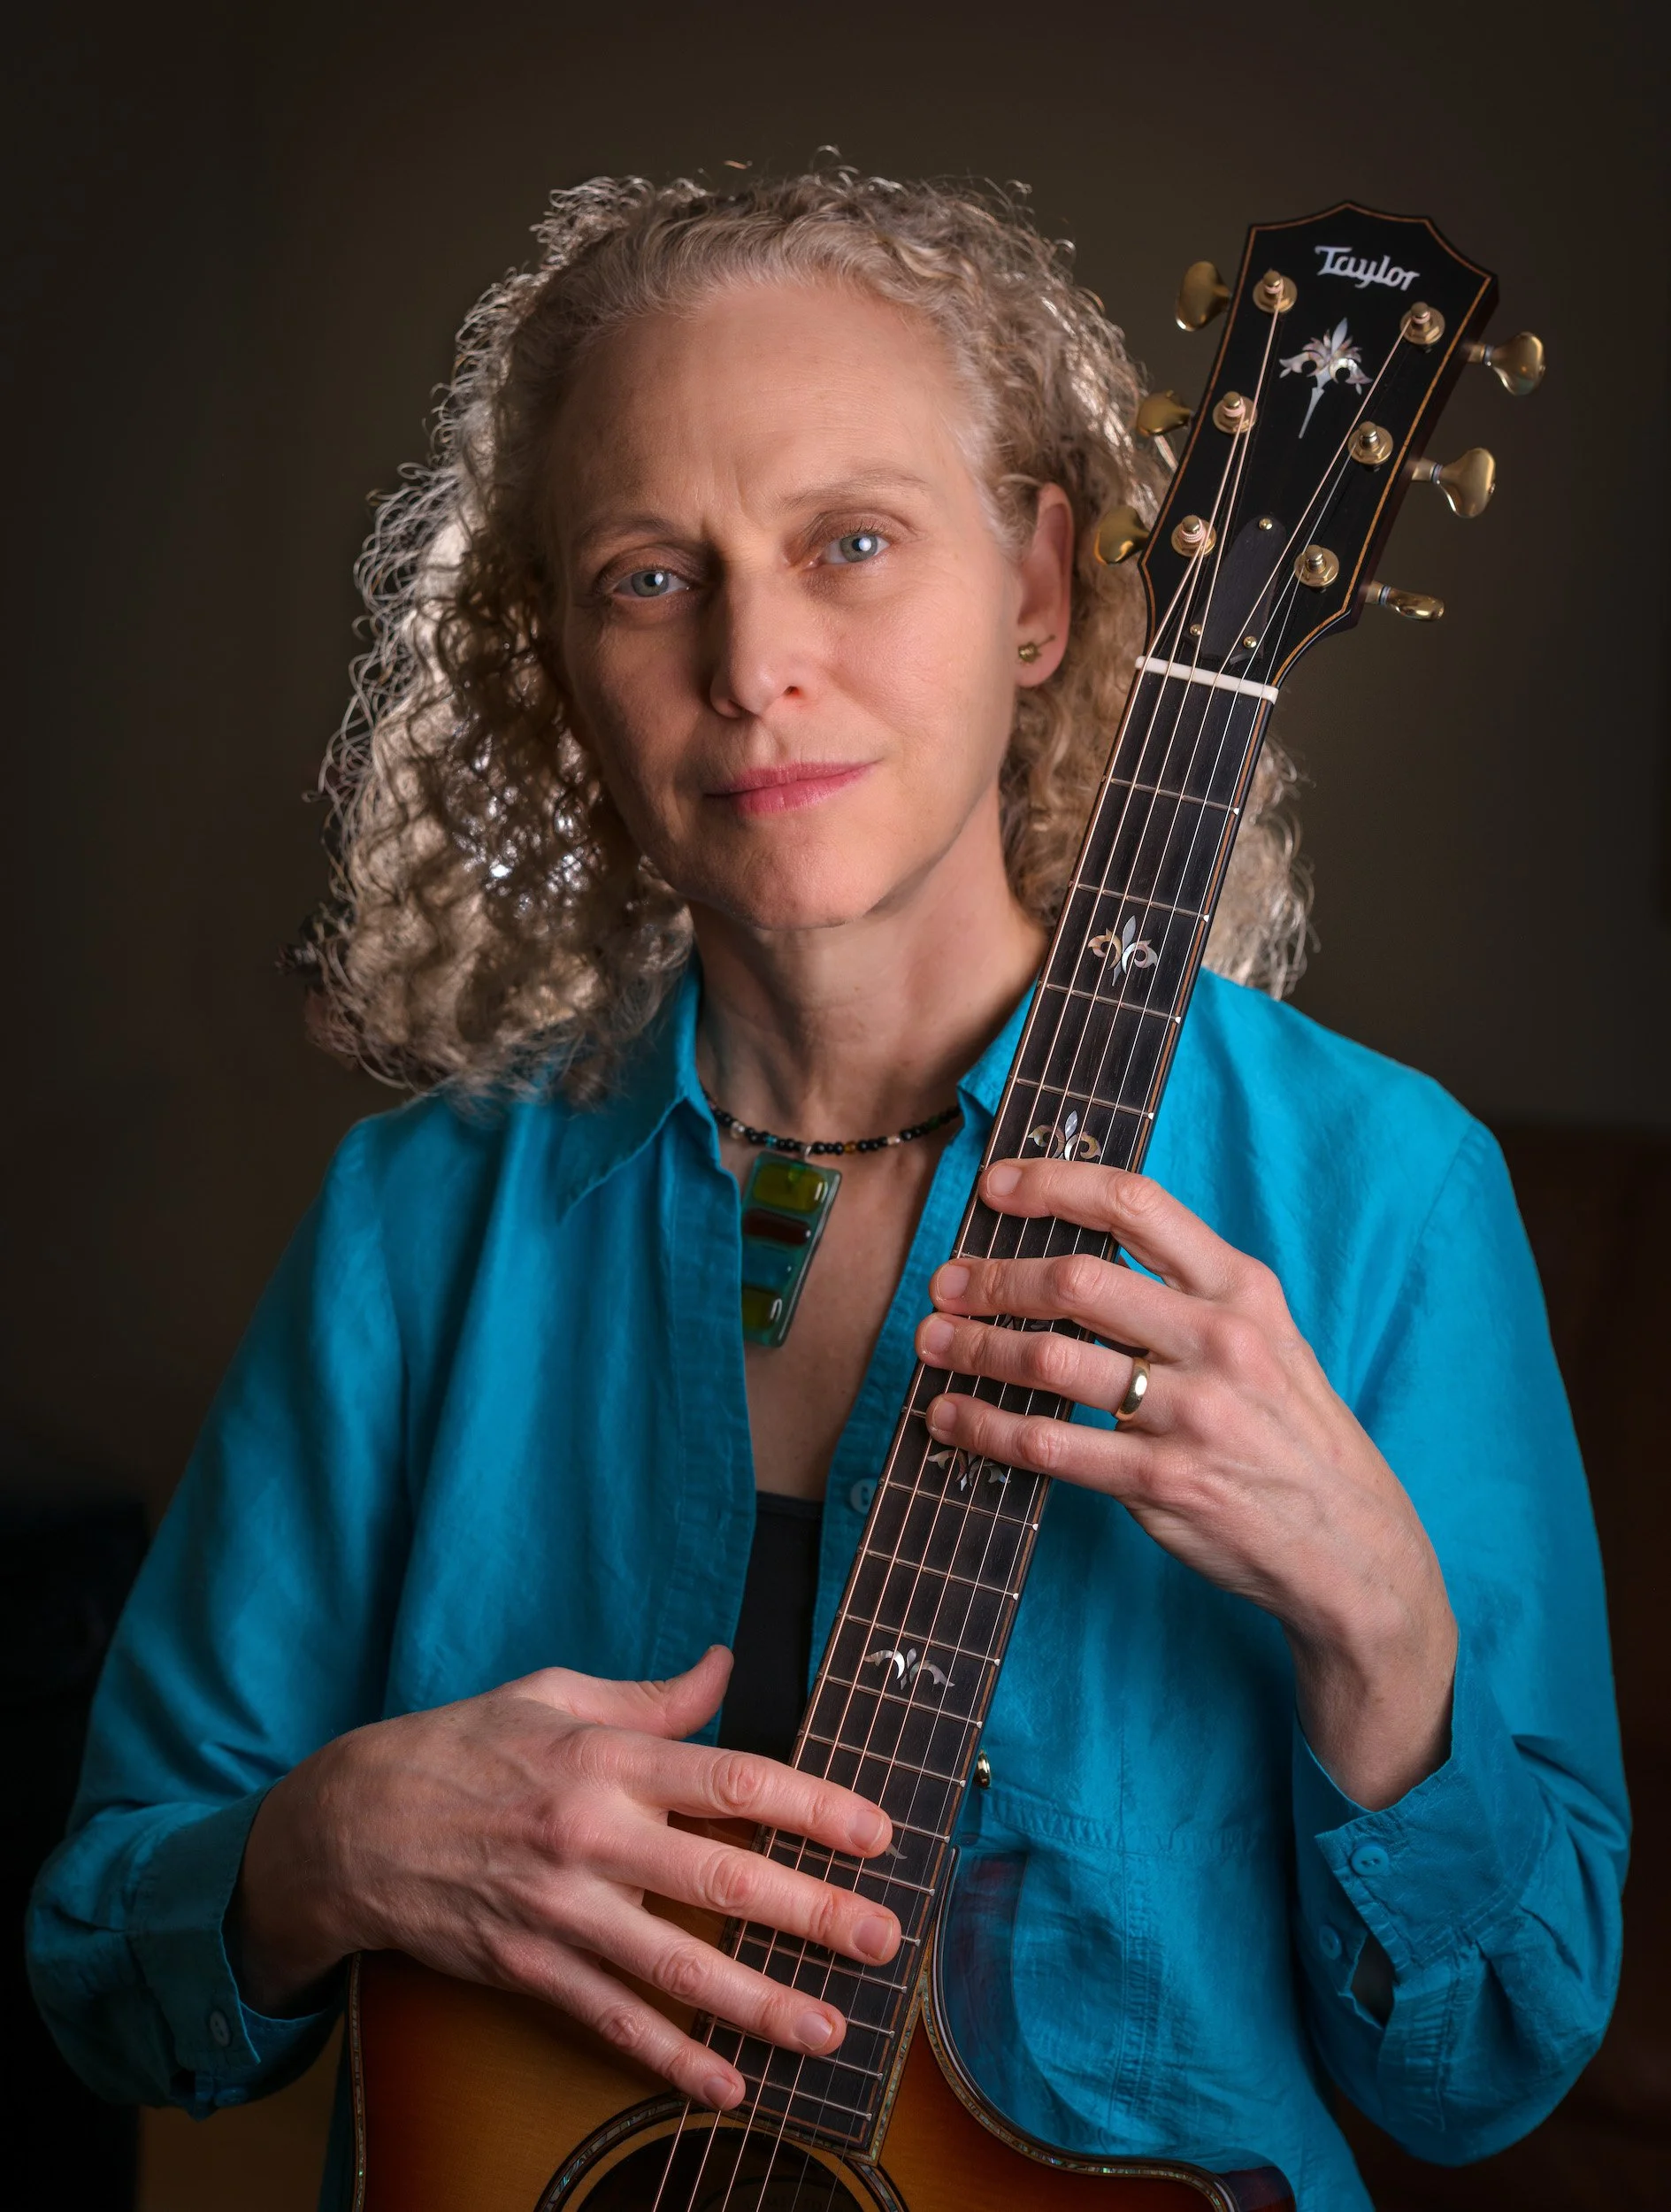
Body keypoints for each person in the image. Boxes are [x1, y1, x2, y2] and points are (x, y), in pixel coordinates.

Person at [27, 171, 1625, 2210]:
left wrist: (1378, 1621)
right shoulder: (414, 1224)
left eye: (848, 541)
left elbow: (1486, 2063)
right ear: (560, 663)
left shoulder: (1377, 1192)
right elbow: (105, 1965)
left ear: (1037, 586)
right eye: (643, 575)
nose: (755, 660)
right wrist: (329, 1843)